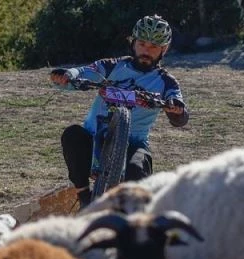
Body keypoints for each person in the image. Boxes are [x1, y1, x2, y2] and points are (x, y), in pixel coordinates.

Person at [50, 14, 189, 208]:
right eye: (142, 44)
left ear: (164, 49)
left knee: (138, 167)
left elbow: (180, 113)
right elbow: (83, 72)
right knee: (72, 134)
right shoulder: (113, 65)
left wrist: (175, 108)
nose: (146, 51)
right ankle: (83, 196)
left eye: (153, 47)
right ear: (133, 43)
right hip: (94, 135)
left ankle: (131, 219)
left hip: (133, 142)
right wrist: (67, 75)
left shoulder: (166, 82)